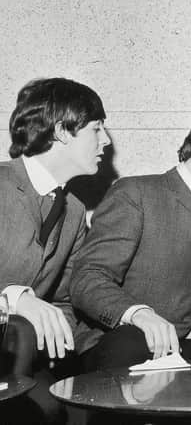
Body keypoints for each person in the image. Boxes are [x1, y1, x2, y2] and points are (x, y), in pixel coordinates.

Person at [69, 108, 191, 372]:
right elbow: (87, 278)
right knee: (133, 342)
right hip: (124, 343)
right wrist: (138, 314)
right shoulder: (135, 194)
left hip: (184, 351)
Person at [0, 77, 110, 423]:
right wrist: (14, 300)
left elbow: (66, 299)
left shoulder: (74, 210)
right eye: (96, 128)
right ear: (63, 131)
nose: (105, 141)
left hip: (25, 360)